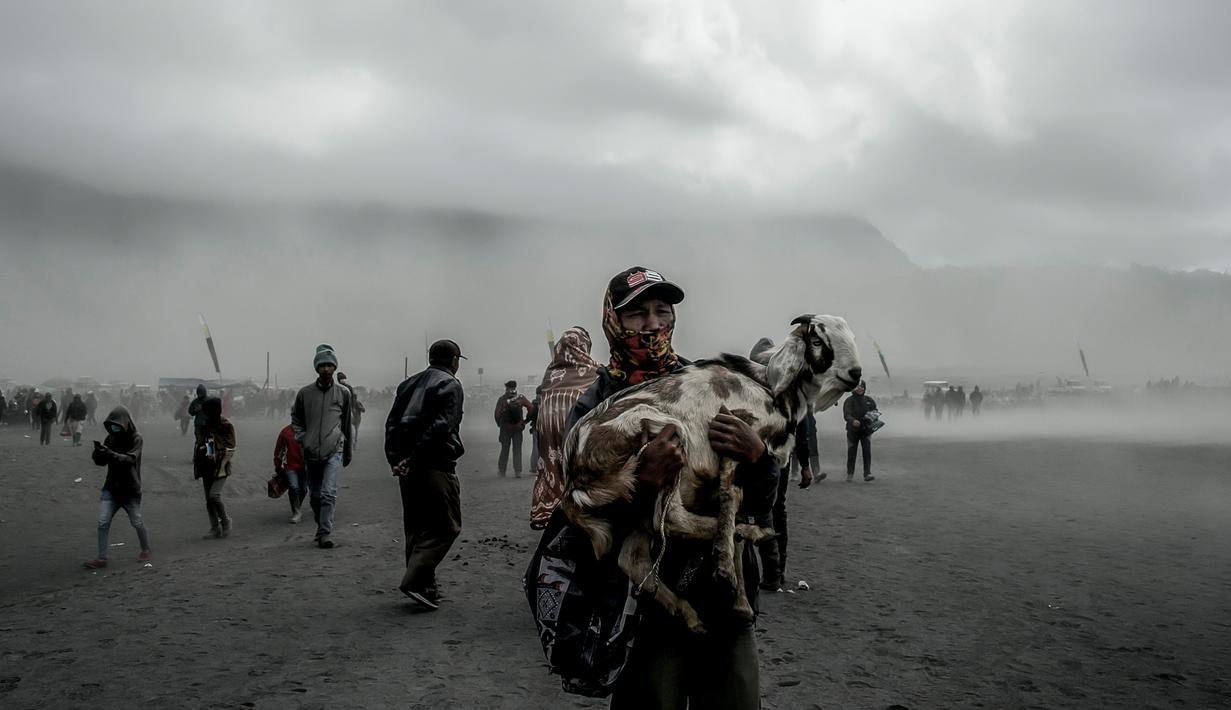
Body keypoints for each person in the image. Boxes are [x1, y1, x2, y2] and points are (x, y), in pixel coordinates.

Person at [564, 266, 779, 709]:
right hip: (646, 608)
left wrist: (760, 458)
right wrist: (640, 483)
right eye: (637, 314)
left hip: (726, 596)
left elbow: (757, 502)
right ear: (613, 321)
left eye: (662, 311)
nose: (653, 325)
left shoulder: (708, 384)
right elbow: (580, 522)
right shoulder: (596, 407)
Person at [384, 338, 467, 610]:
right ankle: (416, 580)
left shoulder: (407, 384)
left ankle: (426, 588)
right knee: (447, 525)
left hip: (408, 466)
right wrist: (413, 457)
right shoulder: (450, 384)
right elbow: (442, 426)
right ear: (454, 360)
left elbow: (392, 424)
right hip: (435, 463)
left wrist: (396, 460)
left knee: (417, 527)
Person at [748, 337, 823, 593]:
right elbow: (801, 431)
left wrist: (804, 465)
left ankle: (773, 574)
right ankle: (774, 574)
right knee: (772, 513)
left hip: (769, 461)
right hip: (765, 460)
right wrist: (804, 465)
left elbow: (801, 430)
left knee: (767, 513)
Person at [529, 326, 598, 529]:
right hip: (575, 430)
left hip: (549, 432)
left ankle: (550, 511)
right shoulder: (593, 371)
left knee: (554, 469)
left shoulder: (550, 372)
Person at [291, 344, 353, 549]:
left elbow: (346, 424)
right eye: (322, 365)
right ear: (316, 368)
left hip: (334, 449)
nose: (326, 369)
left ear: (335, 368)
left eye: (329, 365)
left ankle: (325, 532)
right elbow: (297, 419)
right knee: (315, 497)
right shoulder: (304, 394)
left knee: (328, 493)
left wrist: (348, 451)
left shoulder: (343, 394)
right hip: (310, 452)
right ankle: (320, 526)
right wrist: (302, 437)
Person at [85, 406, 152, 568]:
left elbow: (130, 459)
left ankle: (146, 549)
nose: (114, 428)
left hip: (130, 489)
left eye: (117, 425)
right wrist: (99, 453)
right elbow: (101, 462)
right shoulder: (111, 438)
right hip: (112, 487)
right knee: (103, 522)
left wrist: (111, 454)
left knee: (137, 521)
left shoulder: (136, 438)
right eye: (112, 425)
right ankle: (101, 558)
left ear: (125, 423)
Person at [194, 397, 236, 538]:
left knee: (214, 496)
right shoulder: (205, 425)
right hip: (207, 466)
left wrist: (214, 452)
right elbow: (203, 442)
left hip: (221, 465)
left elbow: (230, 445)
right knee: (208, 499)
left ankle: (225, 521)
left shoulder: (226, 425)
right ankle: (214, 527)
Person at [494, 380, 535, 477]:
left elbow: (497, 414)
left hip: (505, 428)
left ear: (506, 388)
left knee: (505, 449)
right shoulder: (520, 398)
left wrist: (500, 424)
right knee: (517, 449)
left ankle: (502, 471)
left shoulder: (502, 399)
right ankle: (518, 471)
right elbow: (531, 408)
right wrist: (526, 420)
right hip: (518, 428)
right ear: (515, 388)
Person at [273, 423, 308, 523]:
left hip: (306, 466)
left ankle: (297, 506)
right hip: (290, 466)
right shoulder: (286, 432)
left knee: (304, 489)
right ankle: (296, 512)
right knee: (293, 487)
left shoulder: (309, 430)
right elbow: (279, 450)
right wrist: (277, 465)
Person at [843, 381, 877, 482]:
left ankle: (867, 474)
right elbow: (846, 414)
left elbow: (875, 411)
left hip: (866, 431)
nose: (860, 388)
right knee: (851, 452)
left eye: (862, 386)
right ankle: (850, 473)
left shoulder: (869, 400)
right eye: (857, 386)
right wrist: (852, 420)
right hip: (852, 431)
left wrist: (873, 417)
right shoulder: (849, 400)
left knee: (867, 451)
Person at [336, 372, 366, 450]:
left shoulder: (344, 387)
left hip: (347, 409)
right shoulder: (342, 387)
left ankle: (349, 444)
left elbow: (351, 399)